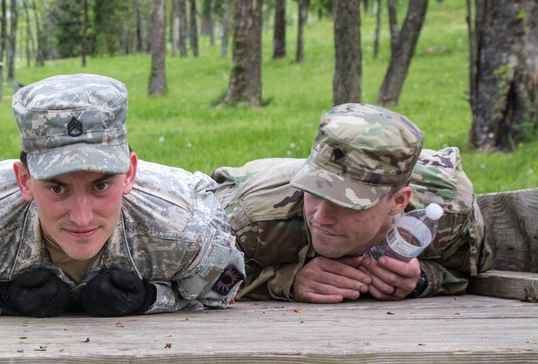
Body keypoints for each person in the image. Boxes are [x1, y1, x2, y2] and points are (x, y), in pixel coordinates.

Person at [0, 73, 245, 316]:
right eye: (57, 188)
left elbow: (221, 293)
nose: (82, 217)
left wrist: (151, 298)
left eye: (100, 186)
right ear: (25, 180)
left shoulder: (181, 225)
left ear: (130, 174)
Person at [211, 102, 492, 303]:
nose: (320, 217)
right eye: (314, 190)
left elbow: (468, 272)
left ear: (398, 202)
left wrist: (421, 280)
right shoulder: (252, 218)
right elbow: (193, 277)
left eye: (347, 203)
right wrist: (285, 281)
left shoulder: (448, 212)